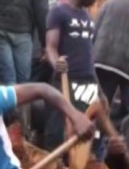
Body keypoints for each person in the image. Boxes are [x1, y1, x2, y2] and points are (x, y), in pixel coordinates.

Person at [44, 0, 98, 155]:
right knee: (56, 132)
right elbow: (50, 47)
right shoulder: (58, 11)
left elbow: (89, 53)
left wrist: (97, 86)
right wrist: (57, 64)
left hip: (87, 82)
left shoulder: (87, 15)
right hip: (65, 81)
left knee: (84, 134)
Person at [0, 0, 47, 85]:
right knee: (23, 80)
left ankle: (10, 96)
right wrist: (44, 43)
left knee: (7, 78)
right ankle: (21, 96)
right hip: (23, 30)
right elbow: (42, 10)